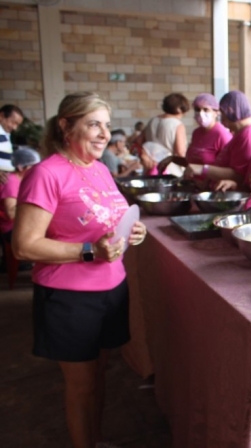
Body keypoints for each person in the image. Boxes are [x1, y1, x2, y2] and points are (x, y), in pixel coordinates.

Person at [11, 92, 148, 448]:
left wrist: (133, 230)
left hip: (111, 288)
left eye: (105, 124)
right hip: (70, 298)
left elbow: (106, 221)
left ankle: (95, 440)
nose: (104, 133)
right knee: (81, 385)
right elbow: (24, 245)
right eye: (93, 124)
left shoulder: (100, 169)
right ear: (66, 126)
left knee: (99, 376)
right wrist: (89, 251)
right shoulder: (46, 174)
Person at [186, 91, 251, 190]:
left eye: (222, 114)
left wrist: (202, 169)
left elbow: (241, 175)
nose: (221, 120)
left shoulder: (248, 137)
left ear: (230, 111)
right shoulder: (240, 133)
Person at [156, 93, 233, 182]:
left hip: (211, 189)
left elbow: (228, 170)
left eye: (206, 110)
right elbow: (192, 164)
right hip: (192, 185)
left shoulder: (222, 135)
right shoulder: (196, 133)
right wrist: (173, 159)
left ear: (216, 112)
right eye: (197, 109)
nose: (201, 113)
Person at [136, 93, 189, 173]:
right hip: (169, 167)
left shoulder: (152, 120)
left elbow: (139, 141)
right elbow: (180, 152)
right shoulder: (177, 125)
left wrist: (145, 155)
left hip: (150, 166)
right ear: (179, 109)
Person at [0, 148, 40, 240]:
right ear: (21, 167)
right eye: (33, 166)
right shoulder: (11, 182)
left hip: (20, 225)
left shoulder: (23, 180)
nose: (36, 170)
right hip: (11, 228)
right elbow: (11, 213)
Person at [0, 104, 25, 172]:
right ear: (1, 116)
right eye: (13, 122)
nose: (15, 128)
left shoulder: (6, 134)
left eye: (17, 125)